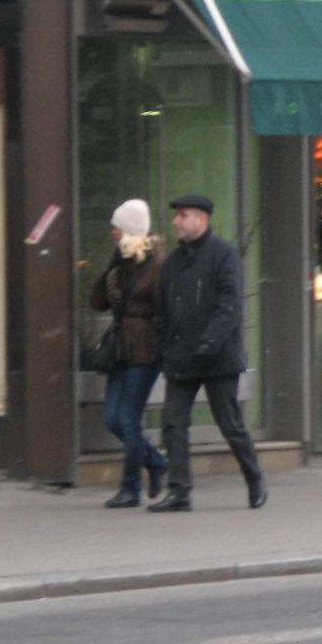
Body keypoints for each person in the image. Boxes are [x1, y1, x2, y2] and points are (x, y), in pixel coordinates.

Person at [148, 194, 266, 512]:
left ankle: (255, 480)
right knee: (173, 423)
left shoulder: (224, 255)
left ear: (202, 220)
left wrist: (209, 343)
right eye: (177, 216)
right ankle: (179, 492)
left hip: (217, 358)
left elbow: (229, 307)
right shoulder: (172, 262)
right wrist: (165, 343)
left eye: (183, 215)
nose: (176, 221)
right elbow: (162, 308)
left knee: (229, 424)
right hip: (181, 356)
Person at [90, 199, 167, 509]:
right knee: (113, 419)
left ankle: (130, 488)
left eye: (117, 227)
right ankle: (156, 461)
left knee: (130, 419)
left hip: (146, 350)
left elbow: (166, 308)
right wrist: (112, 268)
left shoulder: (158, 264)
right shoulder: (119, 262)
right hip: (120, 349)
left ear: (130, 229)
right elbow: (98, 303)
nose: (113, 232)